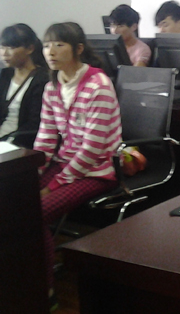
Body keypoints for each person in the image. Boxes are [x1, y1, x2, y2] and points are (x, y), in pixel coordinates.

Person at [34, 22, 122, 306]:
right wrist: (31, 174)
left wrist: (53, 185)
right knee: (13, 200)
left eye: (59, 45)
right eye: (46, 45)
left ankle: (46, 291)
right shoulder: (52, 87)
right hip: (66, 165)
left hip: (96, 171)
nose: (50, 51)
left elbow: (92, 149)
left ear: (78, 49)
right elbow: (46, 138)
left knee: (34, 213)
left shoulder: (99, 85)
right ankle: (22, 277)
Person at [0, 24, 50, 148]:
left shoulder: (42, 79)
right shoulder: (5, 75)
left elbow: (34, 123)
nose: (4, 53)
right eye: (2, 47)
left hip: (18, 143)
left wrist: (9, 141)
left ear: (30, 49)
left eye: (11, 48)